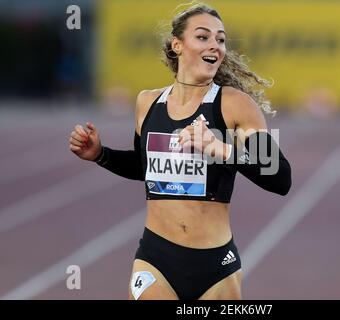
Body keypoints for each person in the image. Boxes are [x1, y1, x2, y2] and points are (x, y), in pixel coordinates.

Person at [68, 2, 291, 300]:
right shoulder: (147, 103)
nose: (215, 45)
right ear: (177, 44)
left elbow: (280, 177)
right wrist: (100, 154)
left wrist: (222, 150)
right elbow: (144, 167)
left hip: (215, 267)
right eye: (203, 37)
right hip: (155, 259)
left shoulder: (235, 104)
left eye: (221, 39)